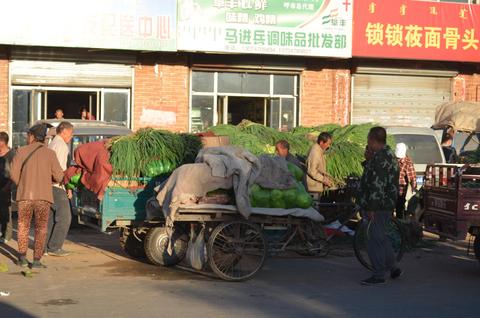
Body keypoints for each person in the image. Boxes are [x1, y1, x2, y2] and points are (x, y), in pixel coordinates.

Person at [10, 124, 64, 268]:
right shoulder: (50, 154)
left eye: (28, 135)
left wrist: (23, 184)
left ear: (32, 136)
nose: (27, 138)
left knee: (23, 226)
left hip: (24, 197)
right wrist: (47, 180)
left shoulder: (21, 151)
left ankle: (22, 257)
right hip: (43, 197)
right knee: (41, 228)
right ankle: (36, 261)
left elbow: (13, 174)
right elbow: (59, 177)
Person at [357, 126, 402, 286]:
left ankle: (378, 275)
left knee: (373, 239)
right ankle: (393, 267)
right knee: (381, 237)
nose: (368, 143)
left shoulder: (381, 158)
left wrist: (371, 208)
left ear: (373, 140)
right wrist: (369, 160)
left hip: (378, 206)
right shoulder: (386, 155)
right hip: (385, 204)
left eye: (369, 140)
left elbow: (378, 185)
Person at [46, 122, 74, 257]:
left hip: (48, 186)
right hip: (57, 186)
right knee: (65, 217)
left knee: (51, 218)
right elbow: (61, 170)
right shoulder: (62, 145)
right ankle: (54, 247)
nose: (71, 136)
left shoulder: (52, 143)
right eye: (70, 133)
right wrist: (68, 186)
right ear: (64, 132)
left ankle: (45, 246)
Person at [306, 132, 333, 199]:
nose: (329, 146)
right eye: (328, 144)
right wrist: (323, 179)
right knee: (314, 207)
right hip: (313, 188)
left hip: (316, 186)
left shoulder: (319, 150)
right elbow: (312, 171)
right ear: (321, 142)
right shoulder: (315, 152)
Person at [395, 143, 416, 220]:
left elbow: (412, 176)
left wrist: (414, 188)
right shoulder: (393, 160)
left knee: (399, 208)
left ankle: (399, 224)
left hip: (401, 189)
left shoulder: (407, 162)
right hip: (391, 188)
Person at [0, 132, 15, 243]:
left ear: (3, 142)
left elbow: (14, 172)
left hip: (7, 187)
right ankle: (2, 232)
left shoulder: (12, 154)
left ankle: (7, 235)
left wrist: (9, 186)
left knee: (6, 211)